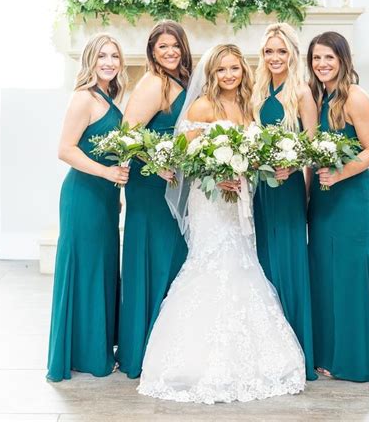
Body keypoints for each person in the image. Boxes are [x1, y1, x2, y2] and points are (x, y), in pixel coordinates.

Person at [138, 44, 306, 404]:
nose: (229, 75)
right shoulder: (202, 106)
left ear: (243, 71)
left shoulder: (247, 107)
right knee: (211, 263)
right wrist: (218, 174)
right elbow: (183, 157)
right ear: (211, 74)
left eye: (235, 68)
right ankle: (194, 360)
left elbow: (252, 153)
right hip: (210, 201)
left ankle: (246, 358)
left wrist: (242, 172)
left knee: (243, 263)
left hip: (239, 200)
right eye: (222, 70)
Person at [307, 31, 369, 384]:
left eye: (329, 57)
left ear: (343, 60)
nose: (323, 64)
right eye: (316, 58)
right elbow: (311, 158)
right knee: (326, 277)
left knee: (352, 278)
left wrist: (339, 174)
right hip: (324, 200)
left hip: (355, 198)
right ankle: (330, 355)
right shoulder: (318, 98)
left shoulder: (356, 97)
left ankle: (357, 361)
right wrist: (308, 197)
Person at [47, 33, 129, 382]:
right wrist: (107, 171)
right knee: (85, 269)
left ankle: (94, 348)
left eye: (114, 56)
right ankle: (84, 355)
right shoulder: (83, 97)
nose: (109, 62)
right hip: (84, 196)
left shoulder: (108, 97)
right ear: (90, 61)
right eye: (102, 56)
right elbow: (65, 149)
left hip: (106, 198)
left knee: (101, 269)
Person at [116, 20, 192, 379]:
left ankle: (168, 347)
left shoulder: (183, 82)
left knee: (173, 258)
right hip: (151, 186)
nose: (170, 52)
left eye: (175, 45)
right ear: (152, 52)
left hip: (175, 185)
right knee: (152, 258)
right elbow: (126, 137)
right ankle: (139, 350)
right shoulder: (153, 83)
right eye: (162, 47)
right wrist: (156, 163)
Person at [252, 23, 318, 381]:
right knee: (263, 261)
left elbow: (310, 145)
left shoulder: (302, 93)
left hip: (288, 188)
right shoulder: (259, 90)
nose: (274, 57)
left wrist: (291, 167)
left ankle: (297, 352)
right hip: (262, 189)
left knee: (289, 260)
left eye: (281, 51)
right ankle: (269, 350)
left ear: (292, 53)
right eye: (268, 51)